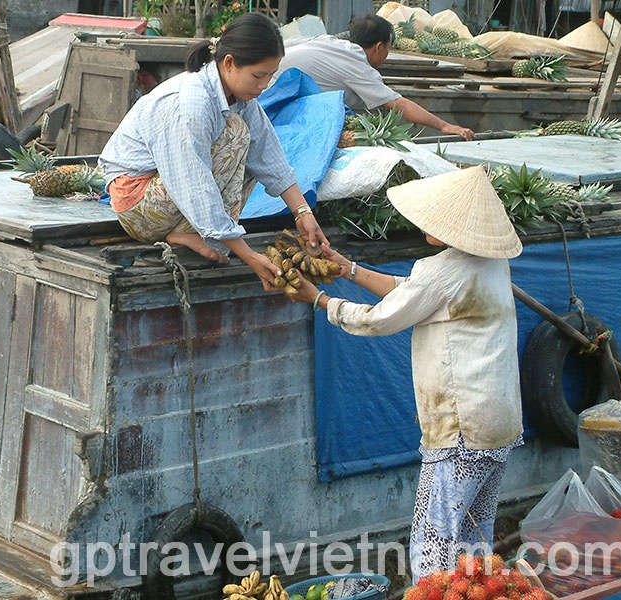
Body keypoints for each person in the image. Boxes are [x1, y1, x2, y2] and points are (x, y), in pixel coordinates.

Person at [286, 165, 524, 580]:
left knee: (434, 546)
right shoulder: (490, 264)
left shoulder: (443, 271)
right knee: (473, 541)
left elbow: (381, 320)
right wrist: (349, 269)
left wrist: (321, 299)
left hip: (461, 430)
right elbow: (415, 293)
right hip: (499, 425)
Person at [98, 13, 328, 291]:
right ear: (229, 63)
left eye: (270, 75)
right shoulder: (191, 102)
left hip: (168, 203)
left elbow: (270, 158)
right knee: (236, 134)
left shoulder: (240, 99)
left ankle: (189, 233)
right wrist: (249, 255)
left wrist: (303, 212)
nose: (264, 85)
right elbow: (193, 184)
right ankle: (199, 233)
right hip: (138, 205)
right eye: (258, 75)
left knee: (250, 143)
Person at [274, 15, 475, 141]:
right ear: (379, 47)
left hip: (268, 89)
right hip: (274, 105)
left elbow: (287, 44)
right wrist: (445, 126)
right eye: (388, 48)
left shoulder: (328, 42)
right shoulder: (356, 63)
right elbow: (398, 104)